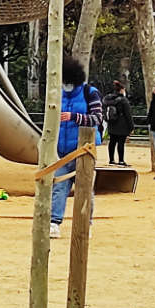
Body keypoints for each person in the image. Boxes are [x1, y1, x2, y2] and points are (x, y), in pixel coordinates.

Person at [50, 58, 102, 239]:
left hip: (84, 151)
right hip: (63, 151)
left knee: (85, 188)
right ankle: (54, 222)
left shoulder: (90, 93)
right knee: (58, 186)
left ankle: (85, 223)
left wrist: (74, 117)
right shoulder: (57, 94)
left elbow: (97, 118)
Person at [102, 80, 134, 166]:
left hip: (112, 123)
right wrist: (131, 127)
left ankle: (111, 160)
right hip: (122, 125)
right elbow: (128, 115)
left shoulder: (108, 99)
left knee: (112, 142)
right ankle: (121, 160)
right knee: (121, 143)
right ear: (122, 90)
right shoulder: (124, 100)